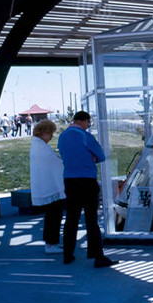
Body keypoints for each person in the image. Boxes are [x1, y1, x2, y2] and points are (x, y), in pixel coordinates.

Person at [58, 111, 118, 268]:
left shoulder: (62, 136)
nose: (88, 126)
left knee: (71, 219)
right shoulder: (85, 136)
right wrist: (91, 157)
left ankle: (67, 255)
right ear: (84, 121)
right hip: (87, 180)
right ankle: (97, 256)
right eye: (88, 123)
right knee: (91, 220)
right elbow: (101, 156)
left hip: (69, 180)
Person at [29, 119, 66, 254]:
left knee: (52, 217)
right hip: (50, 188)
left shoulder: (38, 145)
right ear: (44, 132)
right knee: (53, 217)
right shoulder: (40, 147)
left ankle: (52, 242)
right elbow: (54, 164)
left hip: (48, 186)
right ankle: (51, 244)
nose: (51, 137)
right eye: (50, 133)